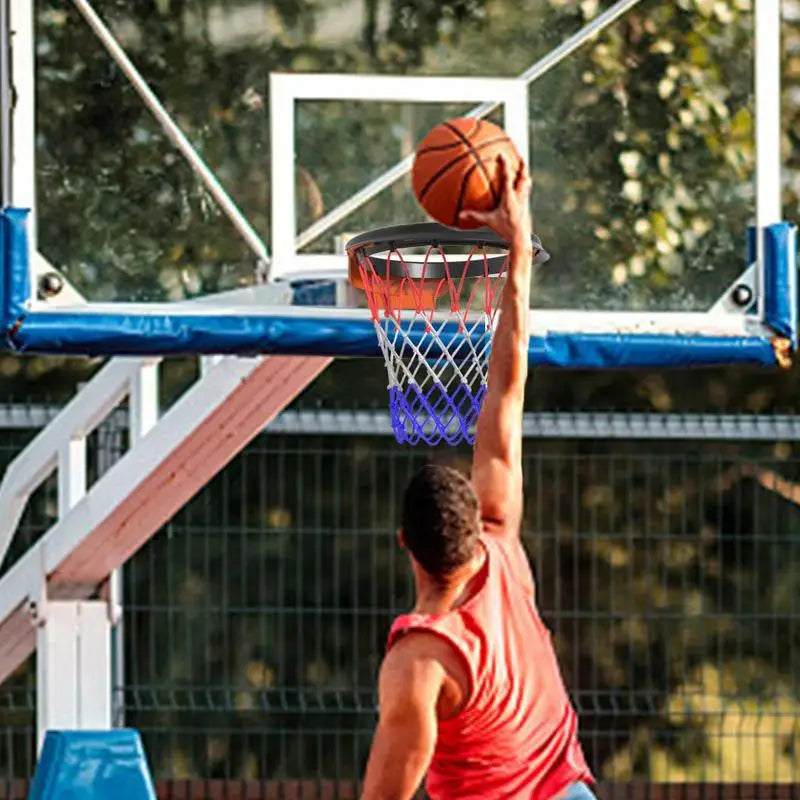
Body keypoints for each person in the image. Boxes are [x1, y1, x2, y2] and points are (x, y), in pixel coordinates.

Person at [360, 155, 596, 800]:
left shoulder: (421, 658)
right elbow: (506, 386)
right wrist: (517, 251)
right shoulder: (500, 534)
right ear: (473, 519)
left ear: (404, 541)